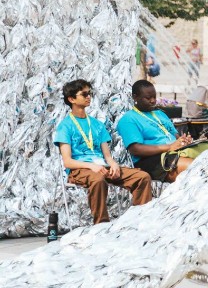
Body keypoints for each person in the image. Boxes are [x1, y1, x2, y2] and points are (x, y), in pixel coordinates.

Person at [54, 79, 152, 224]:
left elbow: (107, 155)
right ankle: (101, 225)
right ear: (71, 99)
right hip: (81, 169)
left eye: (90, 93)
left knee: (142, 177)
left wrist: (113, 164)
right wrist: (92, 166)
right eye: (84, 94)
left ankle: (140, 221)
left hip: (102, 166)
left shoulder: (97, 124)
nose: (89, 97)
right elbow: (68, 161)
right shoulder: (65, 126)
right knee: (97, 179)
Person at [117, 80, 208, 182]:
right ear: (135, 97)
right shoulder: (129, 119)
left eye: (154, 97)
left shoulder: (160, 114)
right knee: (197, 168)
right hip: (150, 160)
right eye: (148, 98)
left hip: (174, 152)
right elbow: (135, 149)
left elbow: (175, 136)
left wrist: (183, 141)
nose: (152, 101)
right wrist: (169, 147)